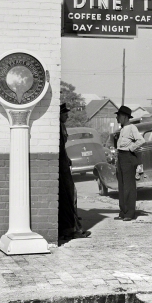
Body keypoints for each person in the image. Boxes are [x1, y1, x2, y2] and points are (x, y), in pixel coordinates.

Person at [58, 103, 90, 240]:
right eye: (65, 113)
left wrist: (67, 158)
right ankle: (71, 230)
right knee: (67, 197)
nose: (67, 116)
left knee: (72, 195)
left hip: (64, 163)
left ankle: (74, 227)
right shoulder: (57, 127)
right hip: (60, 165)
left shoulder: (62, 126)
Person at [114, 105, 145, 221]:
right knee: (121, 186)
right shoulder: (122, 129)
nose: (117, 118)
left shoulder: (132, 127)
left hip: (128, 158)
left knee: (129, 186)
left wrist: (131, 148)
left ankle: (130, 213)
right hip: (121, 158)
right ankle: (123, 212)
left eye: (119, 116)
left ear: (125, 117)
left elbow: (141, 140)